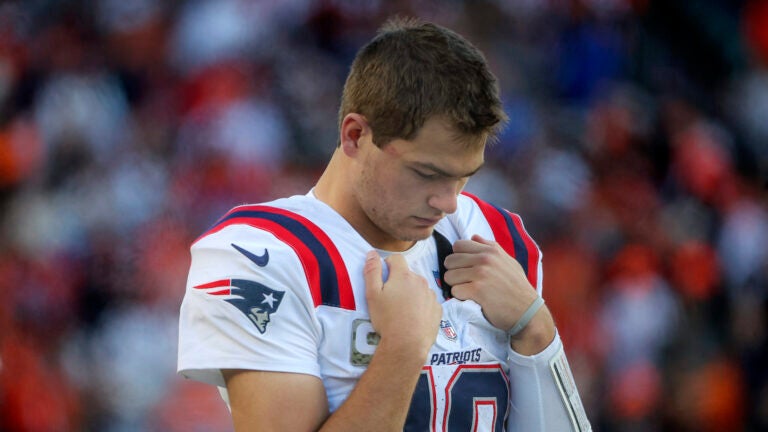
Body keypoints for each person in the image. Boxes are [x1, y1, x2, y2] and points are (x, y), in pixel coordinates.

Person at [177, 16, 591, 431]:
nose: (448, 202)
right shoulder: (256, 255)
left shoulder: (497, 236)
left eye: (464, 176)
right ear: (355, 135)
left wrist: (536, 329)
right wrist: (403, 349)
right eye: (427, 174)